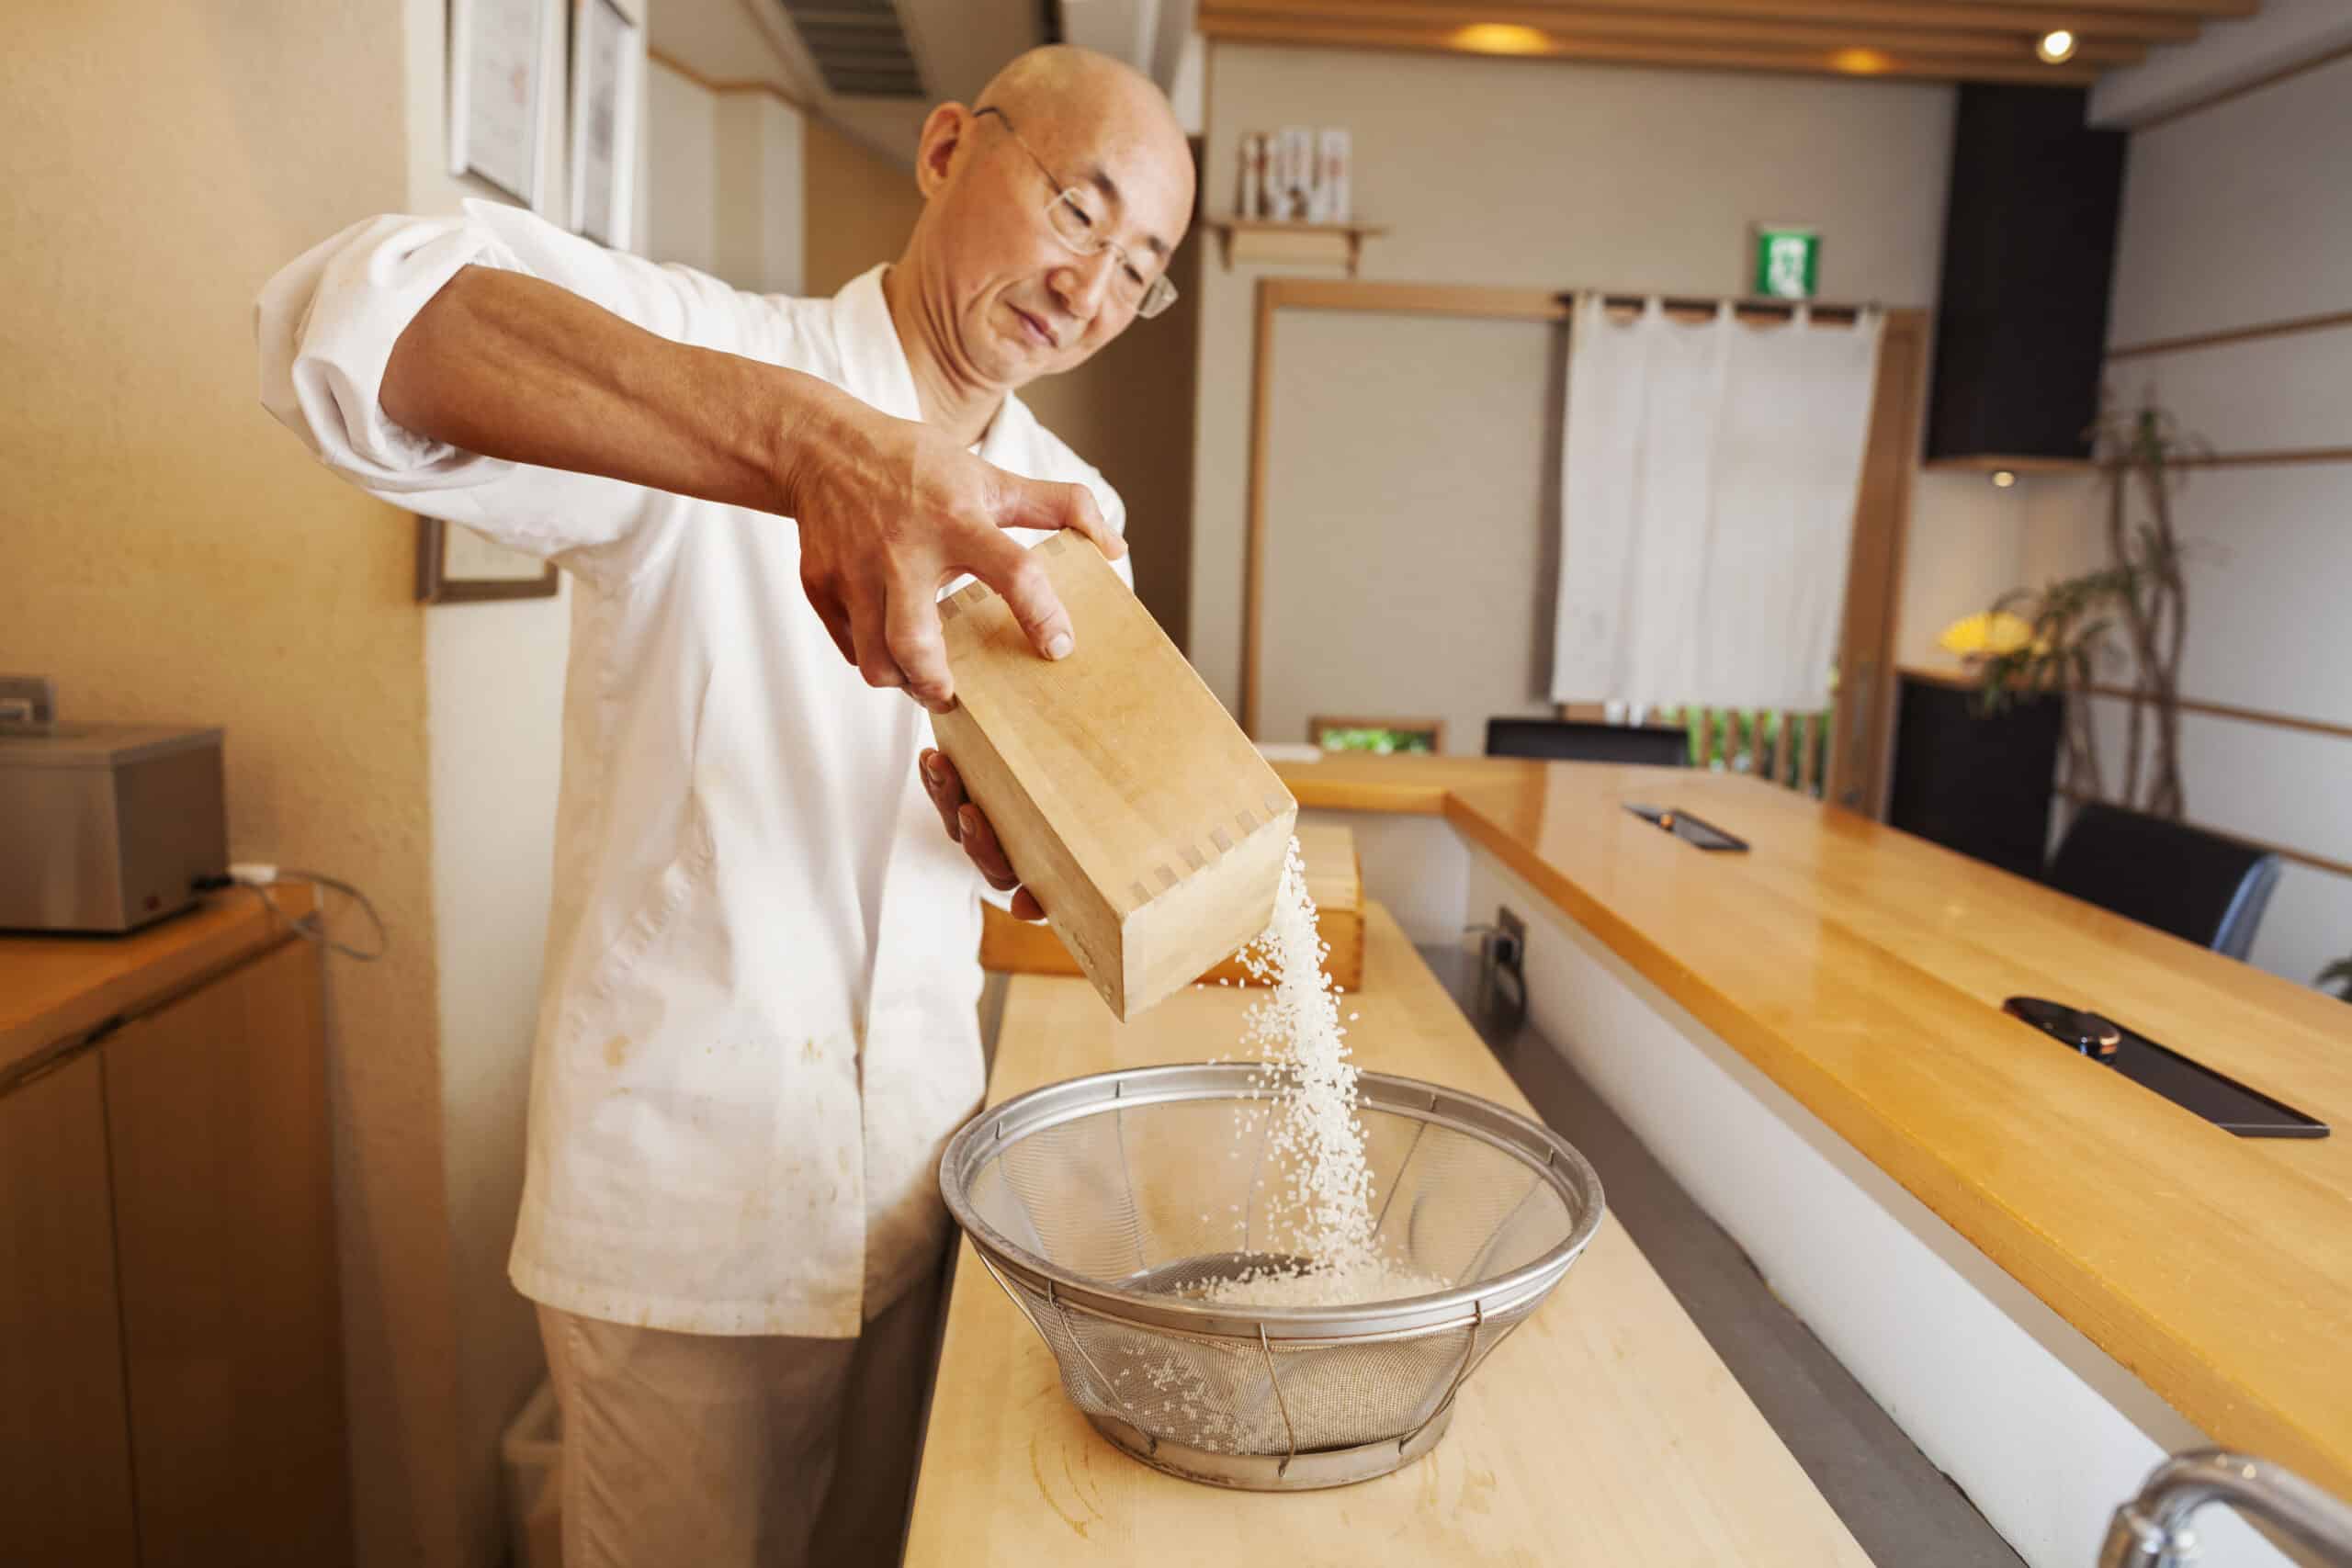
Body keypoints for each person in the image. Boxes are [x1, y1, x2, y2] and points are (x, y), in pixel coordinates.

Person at [254, 43, 1194, 1568]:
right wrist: (813, 443)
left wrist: (1035, 849)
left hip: (912, 1196)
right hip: (683, 1219)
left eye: (1138, 266)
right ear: (949, 149)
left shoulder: (1067, 515)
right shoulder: (716, 354)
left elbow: (1032, 864)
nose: (1090, 285)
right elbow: (352, 324)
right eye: (1079, 211)